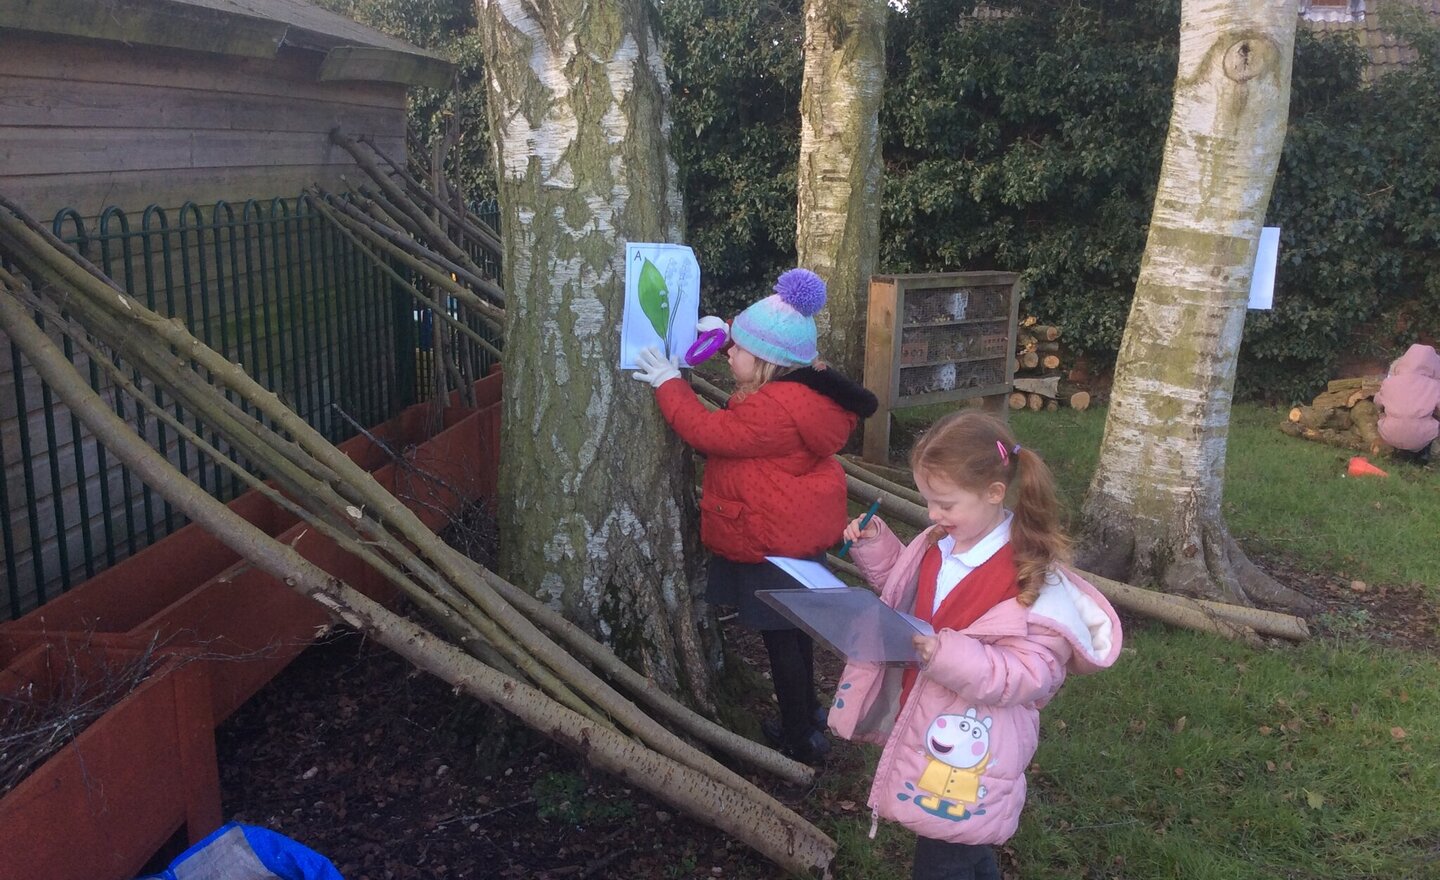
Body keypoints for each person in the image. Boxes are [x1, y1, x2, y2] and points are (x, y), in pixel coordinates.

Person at [828, 411, 1122, 879]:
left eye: (945, 503)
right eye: (927, 502)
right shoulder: (937, 542)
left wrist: (945, 655)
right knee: (954, 850)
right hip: (932, 723)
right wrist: (876, 548)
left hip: (977, 747)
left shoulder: (1030, 577)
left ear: (994, 494)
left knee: (948, 858)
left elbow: (1032, 674)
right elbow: (909, 597)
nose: (932, 515)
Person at [631, 268, 877, 764]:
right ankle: (807, 716)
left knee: (781, 638)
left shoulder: (770, 412)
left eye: (736, 349)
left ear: (765, 363)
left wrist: (667, 383)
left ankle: (799, 738)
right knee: (793, 633)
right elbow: (749, 343)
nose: (729, 353)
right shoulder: (798, 394)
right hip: (792, 538)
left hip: (771, 542)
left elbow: (706, 431)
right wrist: (718, 329)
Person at [1374, 343, 1440, 464]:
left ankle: (1398, 450)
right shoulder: (1434, 386)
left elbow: (1378, 402)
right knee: (1429, 422)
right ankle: (1424, 454)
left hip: (1390, 433)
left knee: (1388, 415)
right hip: (1421, 436)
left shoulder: (1390, 382)